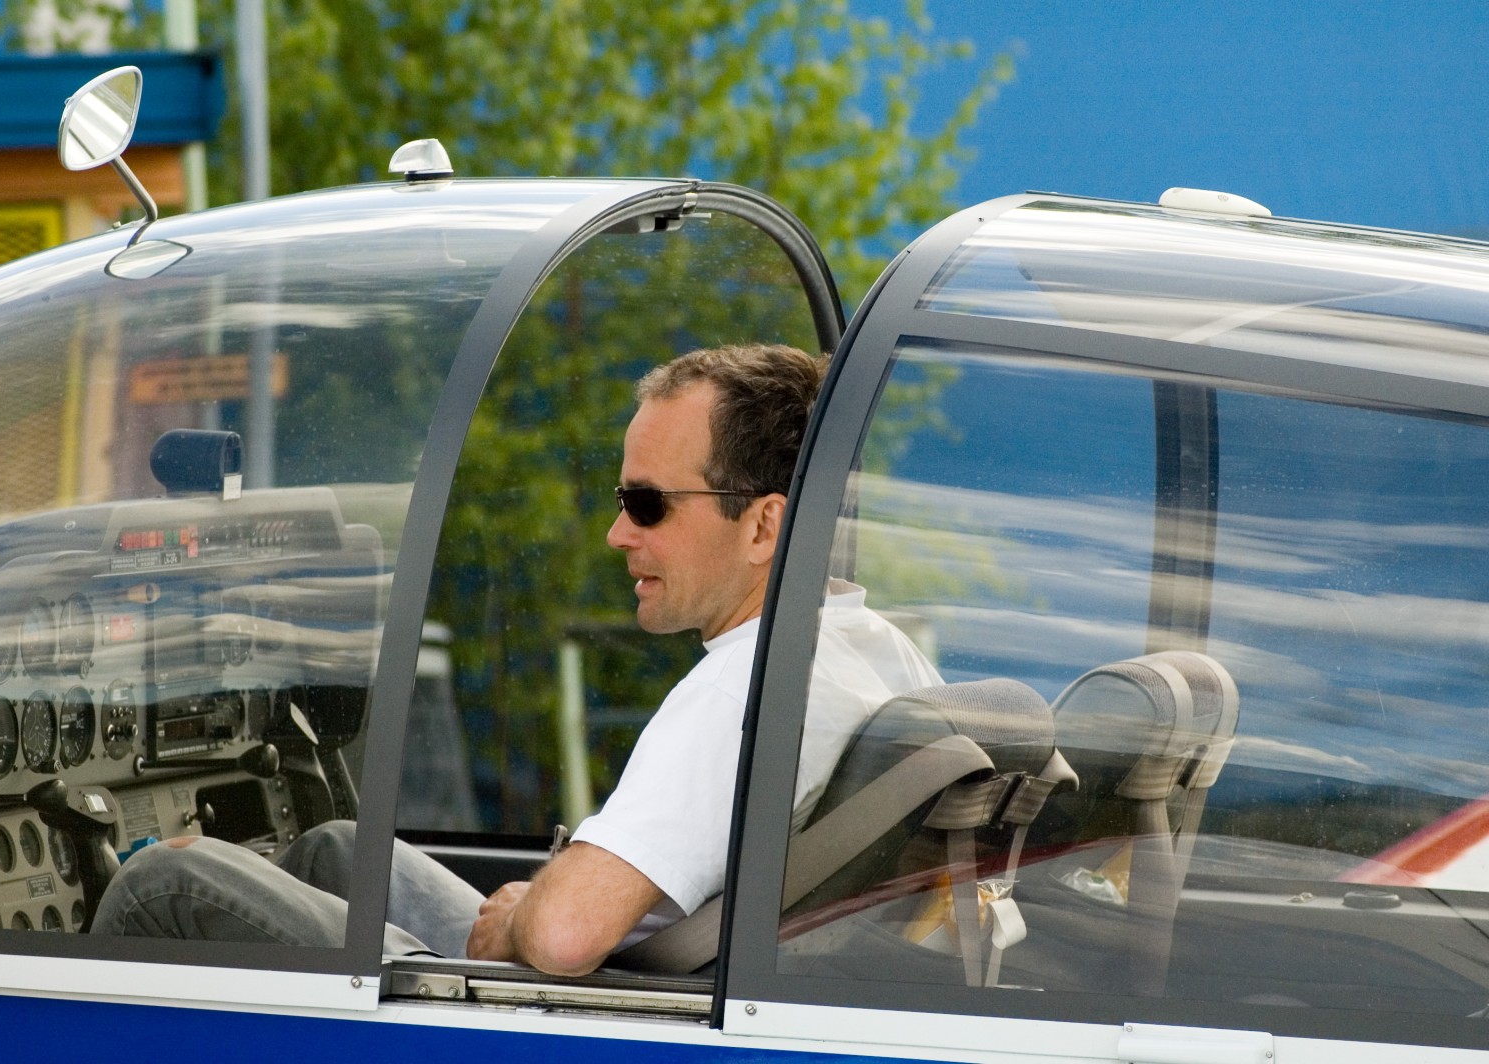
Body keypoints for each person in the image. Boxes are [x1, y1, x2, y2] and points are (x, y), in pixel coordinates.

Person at [92, 343, 940, 975]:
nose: (617, 533)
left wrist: (531, 913)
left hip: (576, 1018)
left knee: (166, 881)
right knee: (336, 852)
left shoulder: (741, 691)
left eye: (647, 504)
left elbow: (566, 937)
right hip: (661, 975)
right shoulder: (876, 650)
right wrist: (543, 899)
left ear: (764, 526)